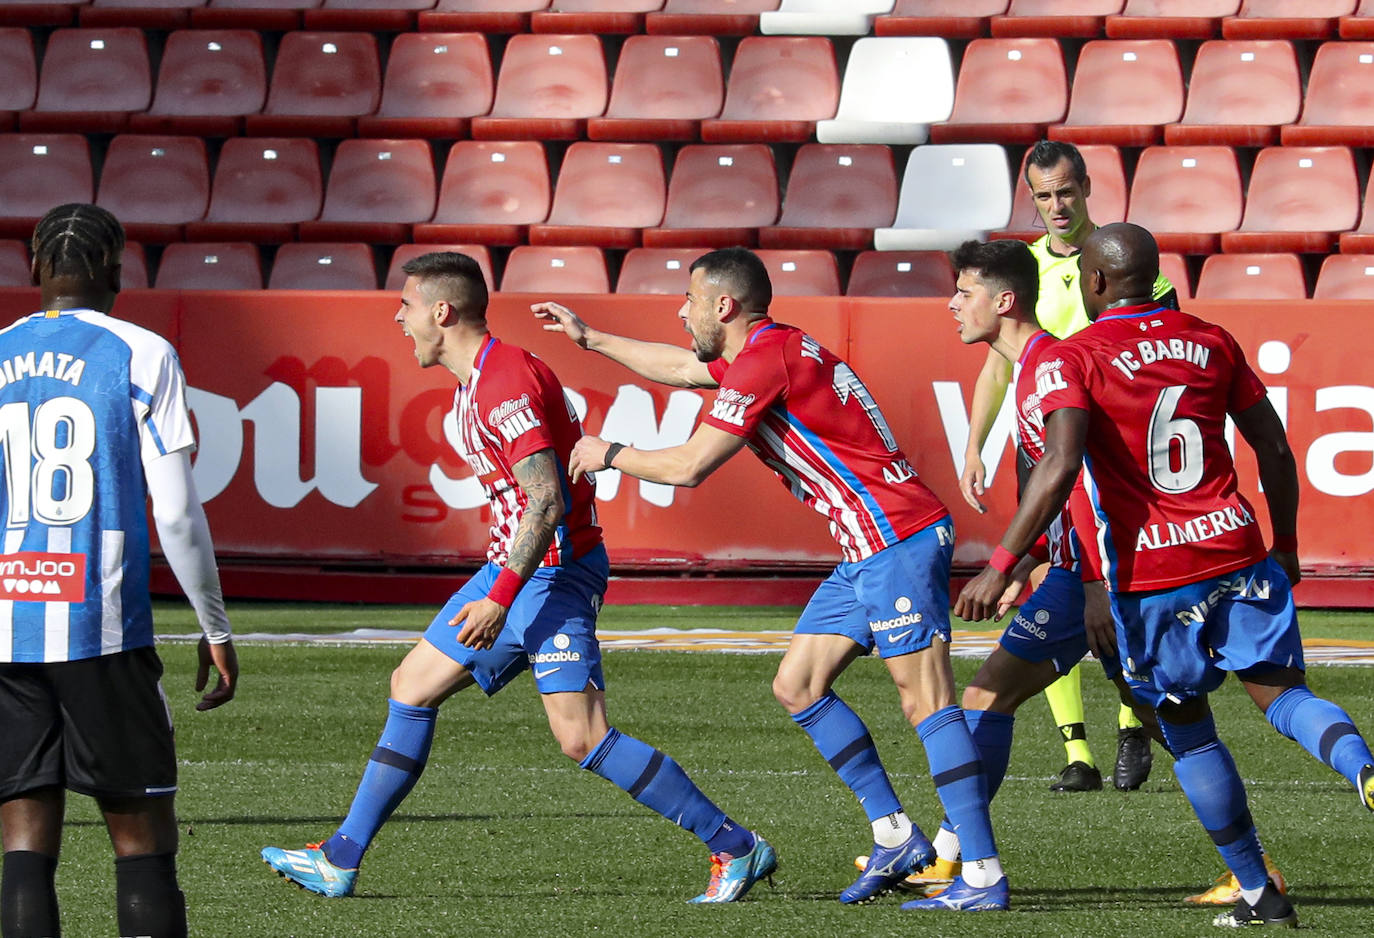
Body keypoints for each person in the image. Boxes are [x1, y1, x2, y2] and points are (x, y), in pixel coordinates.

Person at [261, 251, 773, 904]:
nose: (398, 318)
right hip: (516, 568)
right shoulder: (479, 380)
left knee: (582, 736)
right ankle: (340, 858)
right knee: (411, 685)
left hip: (553, 574)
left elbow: (547, 500)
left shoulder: (504, 381)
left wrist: (500, 599)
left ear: (441, 313)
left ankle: (735, 845)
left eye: (406, 306)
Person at [536, 247, 1007, 911]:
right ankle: (896, 835)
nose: (681, 309)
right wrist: (591, 338)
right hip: (867, 544)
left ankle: (982, 873)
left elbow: (693, 464)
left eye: (690, 299)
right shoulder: (766, 349)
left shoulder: (764, 360)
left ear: (723, 306)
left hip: (896, 536)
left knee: (926, 702)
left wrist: (609, 453)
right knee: (797, 684)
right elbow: (679, 366)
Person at [956, 222, 1374, 928]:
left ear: (1092, 283)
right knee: (1283, 698)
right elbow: (1272, 445)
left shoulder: (1075, 357)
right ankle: (1363, 766)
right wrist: (1290, 545)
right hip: (1237, 552)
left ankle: (1258, 890)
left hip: (1153, 577)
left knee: (1188, 731)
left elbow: (1060, 469)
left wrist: (1002, 564)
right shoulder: (1210, 339)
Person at [893, 238, 1165, 893]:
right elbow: (1069, 491)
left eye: (965, 292)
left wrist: (1082, 580)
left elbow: (1084, 480)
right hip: (1081, 573)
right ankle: (954, 858)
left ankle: (959, 861)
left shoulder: (1050, 367)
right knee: (1001, 695)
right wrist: (1034, 559)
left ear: (1004, 300)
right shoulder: (1032, 368)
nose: (953, 304)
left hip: (1101, 578)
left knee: (1174, 716)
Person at [0, 203, 238, 938]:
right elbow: (175, 512)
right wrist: (215, 624)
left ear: (35, 267)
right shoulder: (143, 352)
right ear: (116, 270)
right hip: (100, 629)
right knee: (141, 843)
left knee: (22, 843)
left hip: (8, 629)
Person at [962, 141, 1177, 795]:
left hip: (1095, 457)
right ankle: (1079, 750)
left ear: (1085, 188)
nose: (1056, 206)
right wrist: (976, 444)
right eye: (1044, 196)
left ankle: (1132, 725)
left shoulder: (1120, 264)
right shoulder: (1019, 268)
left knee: (1098, 588)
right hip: (1043, 452)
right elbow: (1000, 364)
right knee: (1056, 584)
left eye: (1066, 192)